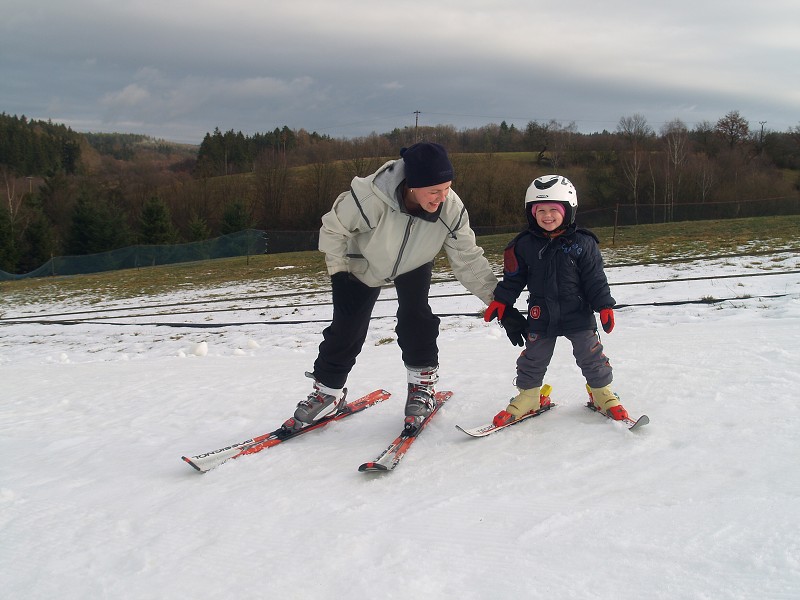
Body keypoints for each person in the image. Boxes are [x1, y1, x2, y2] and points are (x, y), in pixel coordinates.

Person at [285, 142, 497, 433]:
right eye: (434, 191)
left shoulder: (450, 210)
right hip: (363, 261)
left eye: (447, 188)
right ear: (413, 184)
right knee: (347, 327)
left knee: (416, 316)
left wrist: (496, 300)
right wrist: (339, 272)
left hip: (415, 259)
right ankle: (328, 393)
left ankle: (422, 387)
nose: (442, 197)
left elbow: (468, 259)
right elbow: (332, 229)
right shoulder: (369, 197)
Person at [484, 174, 629, 426]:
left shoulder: (584, 243)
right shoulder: (523, 245)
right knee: (533, 357)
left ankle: (601, 393)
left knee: (591, 354)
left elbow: (595, 278)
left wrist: (604, 305)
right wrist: (501, 301)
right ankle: (529, 396)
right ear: (531, 213)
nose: (547, 216)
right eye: (540, 210)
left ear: (568, 210)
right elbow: (513, 278)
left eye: (554, 209)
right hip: (542, 314)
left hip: (578, 312)